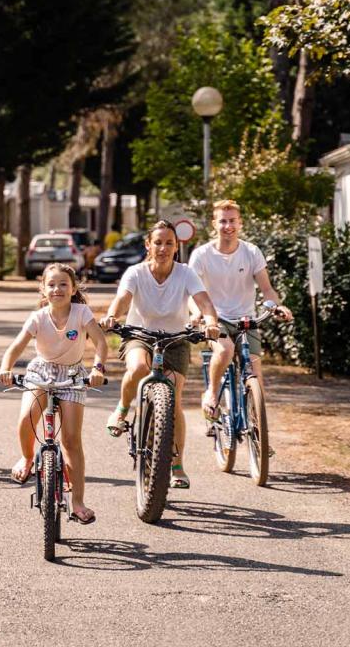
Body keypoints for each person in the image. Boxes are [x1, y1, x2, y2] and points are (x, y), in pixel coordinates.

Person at [99, 220, 220, 489]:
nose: (163, 248)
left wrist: (211, 321)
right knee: (139, 369)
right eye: (158, 242)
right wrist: (111, 316)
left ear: (176, 247)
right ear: (148, 245)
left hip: (175, 340)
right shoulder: (136, 272)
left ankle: (176, 464)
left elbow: (204, 302)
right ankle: (121, 410)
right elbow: (122, 299)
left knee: (173, 400)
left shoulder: (186, 273)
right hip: (140, 336)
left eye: (169, 243)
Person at [0, 263, 108, 524]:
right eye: (51, 285)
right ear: (42, 289)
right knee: (26, 419)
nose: (57, 289)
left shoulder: (81, 313)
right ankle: (26, 458)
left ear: (73, 289)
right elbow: (16, 346)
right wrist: (6, 368)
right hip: (41, 371)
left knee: (71, 439)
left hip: (72, 374)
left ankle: (77, 501)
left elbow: (101, 342)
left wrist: (98, 369)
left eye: (63, 284)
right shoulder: (38, 317)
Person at [188, 199, 293, 420]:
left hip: (247, 320)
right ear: (214, 224)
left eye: (232, 221)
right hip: (216, 320)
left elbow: (267, 289)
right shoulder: (201, 254)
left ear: (240, 223)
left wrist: (277, 307)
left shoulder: (252, 252)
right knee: (224, 351)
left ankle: (259, 431)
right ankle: (212, 393)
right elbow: (191, 292)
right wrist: (199, 314)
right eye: (223, 221)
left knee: (256, 375)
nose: (228, 226)